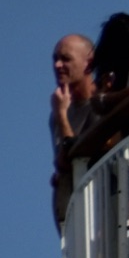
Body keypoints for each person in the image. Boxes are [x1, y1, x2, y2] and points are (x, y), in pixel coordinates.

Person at [48, 34, 98, 230]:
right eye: (55, 59)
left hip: (100, 213)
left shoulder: (101, 102)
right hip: (73, 224)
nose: (58, 65)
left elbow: (73, 158)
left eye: (66, 59)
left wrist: (61, 115)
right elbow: (62, 161)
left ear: (89, 63)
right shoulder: (58, 112)